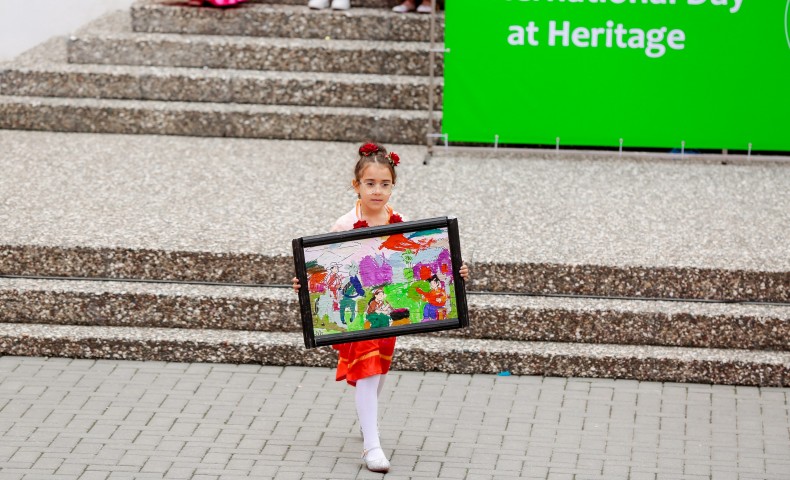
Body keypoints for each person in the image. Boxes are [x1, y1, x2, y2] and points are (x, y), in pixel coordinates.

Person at [293, 142, 469, 473]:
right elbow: (323, 268)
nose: (377, 191)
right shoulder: (344, 225)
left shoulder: (399, 222)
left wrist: (454, 272)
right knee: (369, 368)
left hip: (389, 309)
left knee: (380, 370)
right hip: (357, 311)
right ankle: (371, 445)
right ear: (356, 185)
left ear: (393, 185)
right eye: (370, 183)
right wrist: (306, 284)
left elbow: (423, 259)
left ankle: (367, 419)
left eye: (385, 184)